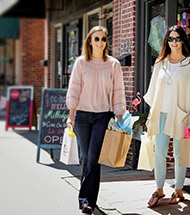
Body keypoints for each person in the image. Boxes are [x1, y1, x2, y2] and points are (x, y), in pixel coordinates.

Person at [144, 25, 190, 207]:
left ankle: (179, 189)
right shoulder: (160, 63)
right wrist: (150, 115)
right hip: (162, 113)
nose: (174, 42)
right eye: (170, 39)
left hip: (182, 114)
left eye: (177, 38)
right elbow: (154, 91)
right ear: (166, 41)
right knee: (160, 152)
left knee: (181, 154)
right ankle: (159, 189)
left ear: (183, 41)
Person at [66, 26, 126, 215]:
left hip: (103, 116)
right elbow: (74, 88)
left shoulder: (114, 64)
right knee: (87, 158)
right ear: (89, 41)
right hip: (82, 115)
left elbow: (118, 91)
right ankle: (88, 199)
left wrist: (120, 114)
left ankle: (86, 201)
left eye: (103, 39)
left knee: (93, 158)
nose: (100, 42)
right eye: (97, 38)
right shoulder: (81, 63)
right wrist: (71, 115)